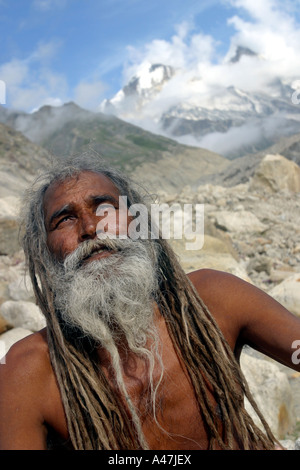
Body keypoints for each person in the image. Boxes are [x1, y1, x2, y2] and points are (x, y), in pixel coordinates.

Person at [0, 154, 300, 451]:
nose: (91, 227)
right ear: (44, 252)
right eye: (65, 219)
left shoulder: (214, 299)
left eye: (106, 208)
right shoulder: (30, 370)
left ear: (138, 220)